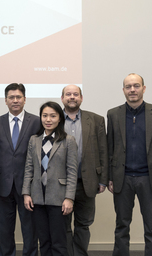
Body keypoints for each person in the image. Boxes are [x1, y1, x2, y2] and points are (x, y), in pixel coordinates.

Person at [107, 73, 152, 256]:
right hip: (123, 179)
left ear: (143, 88)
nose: (132, 90)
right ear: (123, 90)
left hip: (150, 179)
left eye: (136, 86)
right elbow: (110, 149)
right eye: (128, 87)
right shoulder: (113, 114)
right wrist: (109, 178)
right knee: (121, 226)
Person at [23, 101, 78, 256]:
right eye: (45, 115)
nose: (48, 119)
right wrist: (26, 193)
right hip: (37, 198)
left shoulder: (68, 141)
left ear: (59, 118)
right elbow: (28, 168)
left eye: (53, 116)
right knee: (44, 241)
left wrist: (69, 198)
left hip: (59, 199)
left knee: (59, 243)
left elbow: (72, 172)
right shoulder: (34, 140)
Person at [0, 83, 40, 256]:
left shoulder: (36, 122)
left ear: (25, 99)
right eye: (11, 97)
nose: (15, 100)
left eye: (19, 97)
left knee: (30, 229)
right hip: (3, 185)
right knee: (5, 230)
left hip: (29, 186)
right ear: (5, 101)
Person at [61, 85, 108, 256]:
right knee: (63, 225)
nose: (72, 97)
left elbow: (103, 150)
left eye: (75, 94)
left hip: (87, 183)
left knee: (83, 225)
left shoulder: (96, 120)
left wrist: (103, 179)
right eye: (68, 94)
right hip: (61, 184)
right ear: (62, 98)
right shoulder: (53, 118)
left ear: (81, 98)